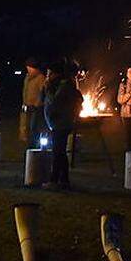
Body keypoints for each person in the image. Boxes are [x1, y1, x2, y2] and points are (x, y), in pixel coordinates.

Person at [43, 61, 82, 189]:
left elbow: (55, 102)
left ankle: (54, 180)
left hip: (61, 123)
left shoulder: (63, 86)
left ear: (56, 74)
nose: (47, 76)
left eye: (49, 74)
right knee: (61, 152)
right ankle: (64, 180)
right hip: (59, 123)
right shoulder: (62, 85)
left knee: (57, 152)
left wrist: (47, 89)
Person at [21, 58, 47, 147]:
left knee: (34, 128)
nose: (28, 69)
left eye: (29, 67)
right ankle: (29, 147)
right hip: (27, 107)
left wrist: (37, 104)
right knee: (25, 128)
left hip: (36, 109)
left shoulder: (41, 78)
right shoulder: (27, 78)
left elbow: (43, 93)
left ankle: (33, 146)